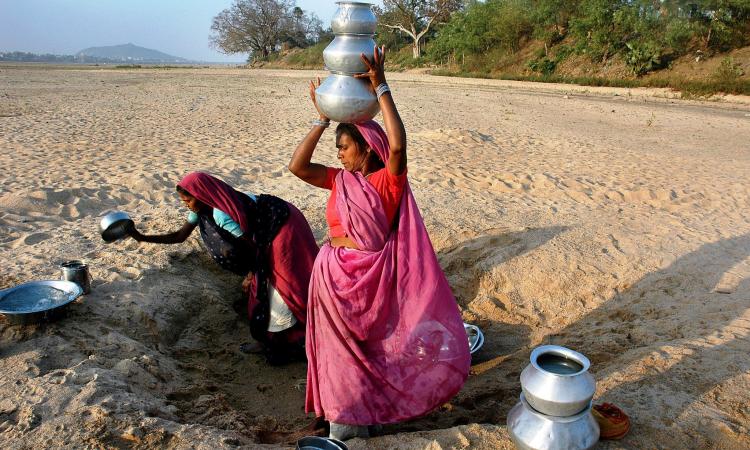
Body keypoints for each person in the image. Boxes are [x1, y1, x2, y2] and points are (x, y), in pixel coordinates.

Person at [289, 46, 471, 440]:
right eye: (337, 148)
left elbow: (400, 145)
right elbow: (297, 167)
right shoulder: (339, 179)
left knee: (369, 352)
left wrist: (382, 87)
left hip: (370, 281)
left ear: (368, 147)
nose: (339, 155)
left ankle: (359, 420)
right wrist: (320, 120)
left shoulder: (387, 182)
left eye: (344, 147)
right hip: (332, 278)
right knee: (338, 355)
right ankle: (342, 423)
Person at [127, 171, 319, 365]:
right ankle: (267, 341)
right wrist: (142, 237)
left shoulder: (222, 214)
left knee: (283, 285)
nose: (186, 204)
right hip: (266, 230)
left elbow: (252, 246)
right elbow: (179, 236)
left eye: (188, 200)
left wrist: (252, 273)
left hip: (282, 227)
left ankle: (295, 339)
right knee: (263, 286)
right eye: (183, 201)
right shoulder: (199, 208)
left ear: (201, 195)